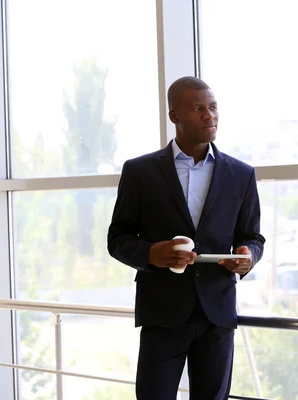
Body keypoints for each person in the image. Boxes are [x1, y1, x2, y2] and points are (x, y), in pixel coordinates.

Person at [107, 76, 265, 400]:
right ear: (174, 116)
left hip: (217, 316)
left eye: (213, 108)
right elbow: (117, 238)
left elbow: (252, 237)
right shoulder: (140, 172)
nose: (210, 116)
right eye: (197, 109)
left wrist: (248, 256)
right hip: (162, 313)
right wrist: (153, 253)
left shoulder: (241, 174)